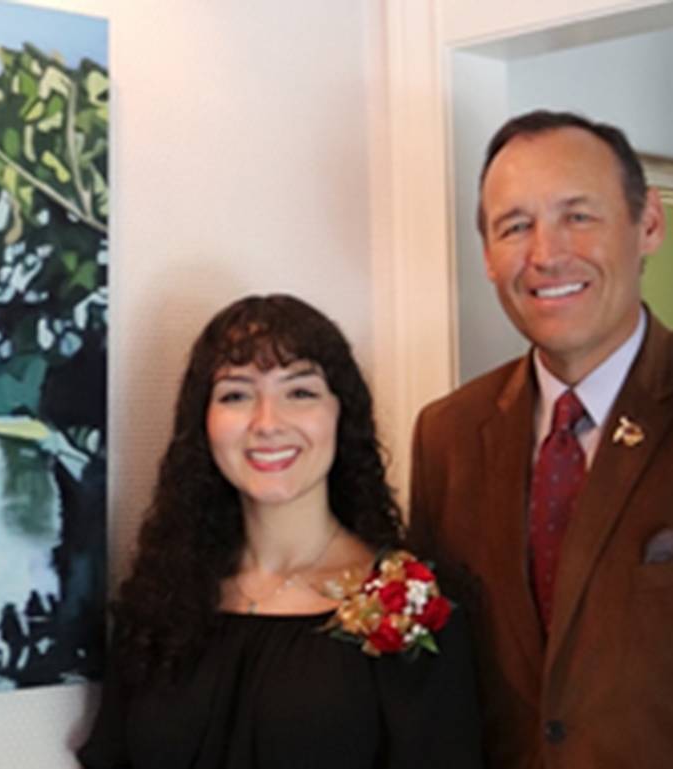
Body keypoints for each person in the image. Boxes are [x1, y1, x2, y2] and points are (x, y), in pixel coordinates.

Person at [409, 110, 673, 768]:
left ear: (649, 225)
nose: (546, 253)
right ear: (488, 258)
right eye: (515, 225)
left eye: (578, 216)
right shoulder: (446, 435)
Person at [79, 294, 482, 769]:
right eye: (236, 394)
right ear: (203, 423)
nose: (267, 423)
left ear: (341, 414)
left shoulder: (414, 606)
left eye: (300, 392)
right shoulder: (158, 602)